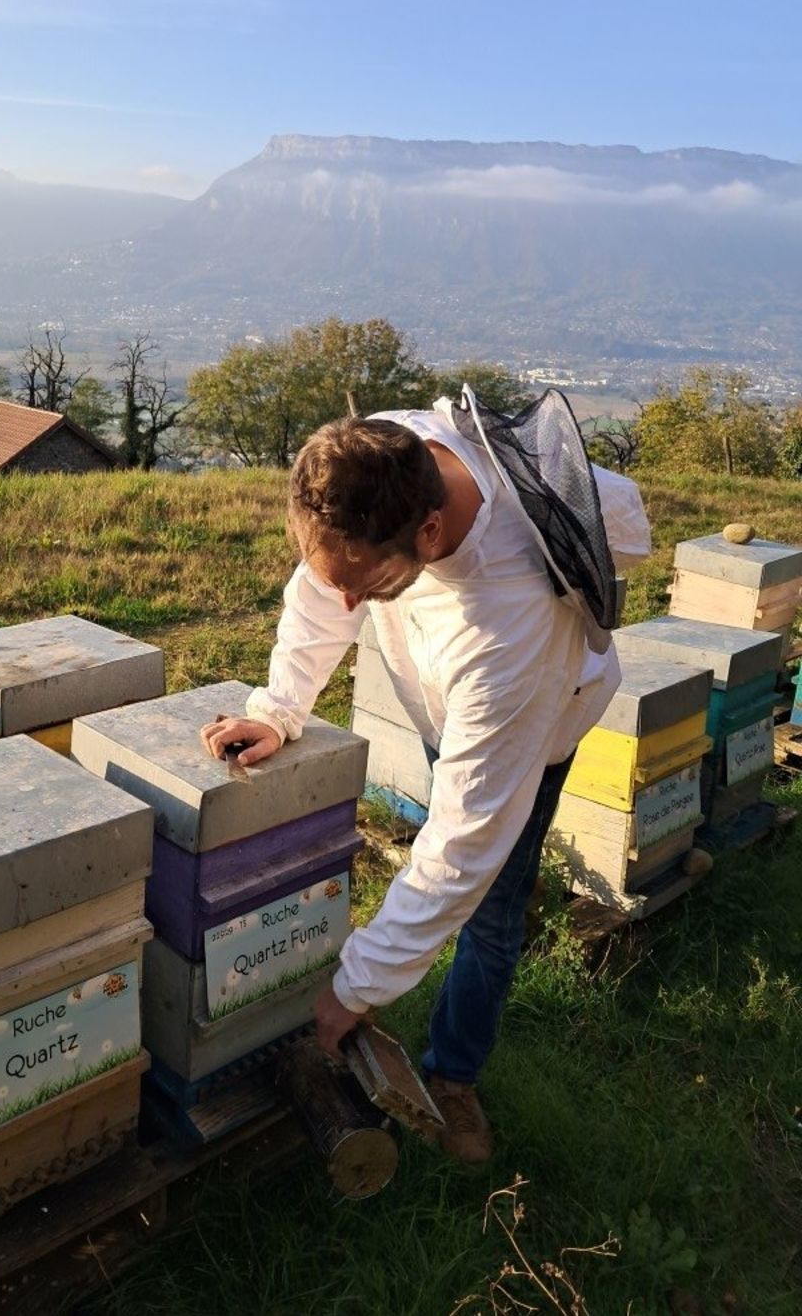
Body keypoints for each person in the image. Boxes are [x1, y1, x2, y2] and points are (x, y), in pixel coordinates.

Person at [200, 398, 646, 1165]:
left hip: (535, 724)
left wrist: (354, 989)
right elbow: (321, 590)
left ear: (431, 534)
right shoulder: (383, 458)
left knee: (491, 901)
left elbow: (461, 843)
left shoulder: (507, 621)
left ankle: (454, 1076)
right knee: (464, 849)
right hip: (455, 703)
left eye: (366, 587)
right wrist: (279, 707)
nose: (348, 604)